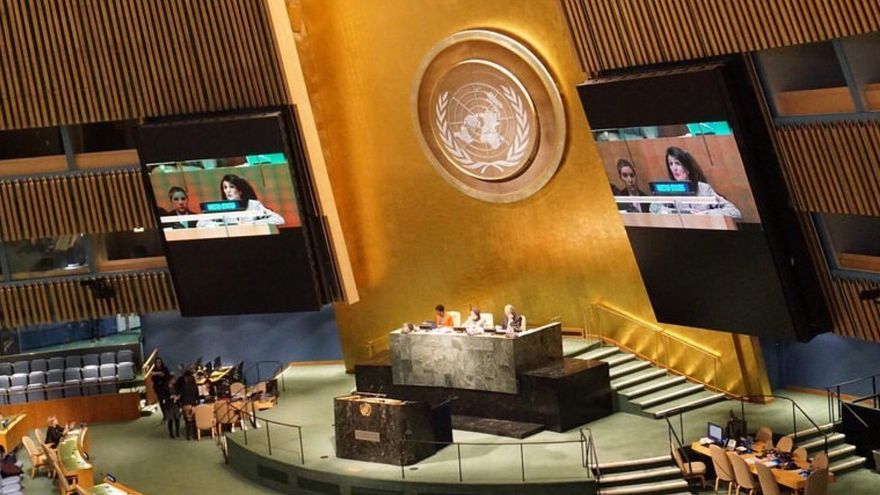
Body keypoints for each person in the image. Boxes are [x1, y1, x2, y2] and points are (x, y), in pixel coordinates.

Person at [649, 146, 741, 218]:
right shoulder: (670, 188)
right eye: (671, 164)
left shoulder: (704, 189)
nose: (674, 168)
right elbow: (653, 208)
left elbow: (734, 212)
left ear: (687, 167)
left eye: (677, 163)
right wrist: (679, 212)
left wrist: (705, 214)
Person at [197, 174, 284, 227]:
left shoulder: (253, 205)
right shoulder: (222, 207)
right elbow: (200, 223)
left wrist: (253, 223)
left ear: (240, 190)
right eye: (225, 187)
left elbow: (279, 219)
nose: (228, 191)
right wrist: (220, 225)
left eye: (231, 187)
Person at [178, 369, 200, 441]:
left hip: (185, 405)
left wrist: (180, 405)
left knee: (187, 421)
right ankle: (194, 434)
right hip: (193, 404)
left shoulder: (183, 386)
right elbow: (197, 396)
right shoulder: (195, 386)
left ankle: (188, 435)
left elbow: (181, 396)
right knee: (194, 420)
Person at [165, 374, 181, 439]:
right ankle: (171, 433)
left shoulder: (175, 386)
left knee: (177, 418)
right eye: (173, 379)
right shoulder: (165, 387)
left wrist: (178, 396)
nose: (175, 380)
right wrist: (170, 397)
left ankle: (177, 431)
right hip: (169, 405)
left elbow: (179, 393)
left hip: (176, 404)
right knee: (170, 419)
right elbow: (163, 396)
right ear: (170, 380)